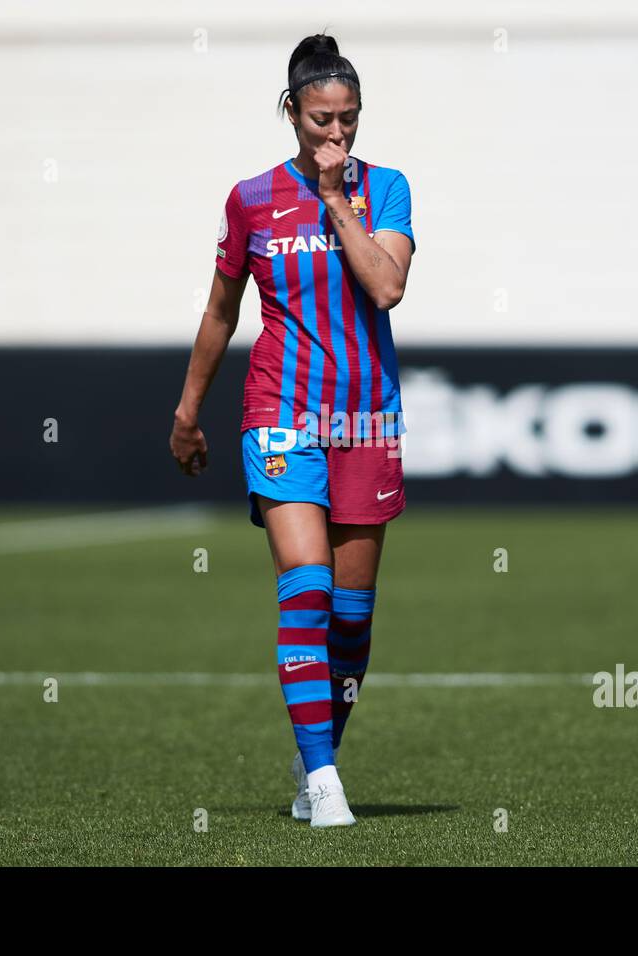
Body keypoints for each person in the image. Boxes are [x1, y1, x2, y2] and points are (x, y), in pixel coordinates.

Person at [169, 32, 415, 828]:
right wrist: (187, 410)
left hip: (365, 419)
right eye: (319, 121)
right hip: (282, 413)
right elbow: (220, 310)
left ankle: (315, 761)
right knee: (305, 588)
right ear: (291, 112)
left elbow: (385, 287)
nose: (335, 135)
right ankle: (328, 781)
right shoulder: (251, 200)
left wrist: (338, 197)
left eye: (347, 119)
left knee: (351, 617)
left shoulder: (388, 190)